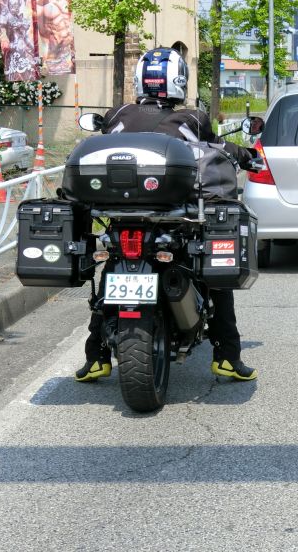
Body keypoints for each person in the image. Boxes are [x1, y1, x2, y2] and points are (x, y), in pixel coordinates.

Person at [75, 47, 258, 383]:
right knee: (213, 273)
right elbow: (218, 149)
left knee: (111, 270)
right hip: (173, 216)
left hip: (120, 214)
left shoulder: (118, 115)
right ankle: (227, 356)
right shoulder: (192, 119)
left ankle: (96, 357)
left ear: (139, 81)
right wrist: (247, 156)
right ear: (179, 82)